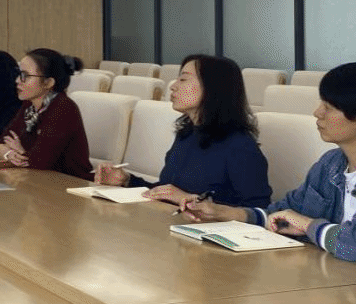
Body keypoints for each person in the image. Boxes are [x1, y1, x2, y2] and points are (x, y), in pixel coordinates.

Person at [184, 61, 356, 285]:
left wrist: (308, 225)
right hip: (353, 288)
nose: (317, 112)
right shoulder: (332, 163)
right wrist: (230, 214)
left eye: (329, 108)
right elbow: (285, 212)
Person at [95, 54, 270, 208]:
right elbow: (168, 191)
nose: (173, 86)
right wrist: (126, 180)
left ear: (212, 87)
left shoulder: (240, 146)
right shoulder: (187, 134)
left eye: (183, 79)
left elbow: (258, 211)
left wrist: (188, 199)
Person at [0, 48, 92, 180]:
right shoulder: (29, 105)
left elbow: (41, 161)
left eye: (25, 76)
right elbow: (1, 144)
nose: (18, 80)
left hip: (71, 182)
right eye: (19, 74)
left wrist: (21, 151)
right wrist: (10, 155)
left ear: (48, 82)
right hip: (35, 179)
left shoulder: (63, 108)